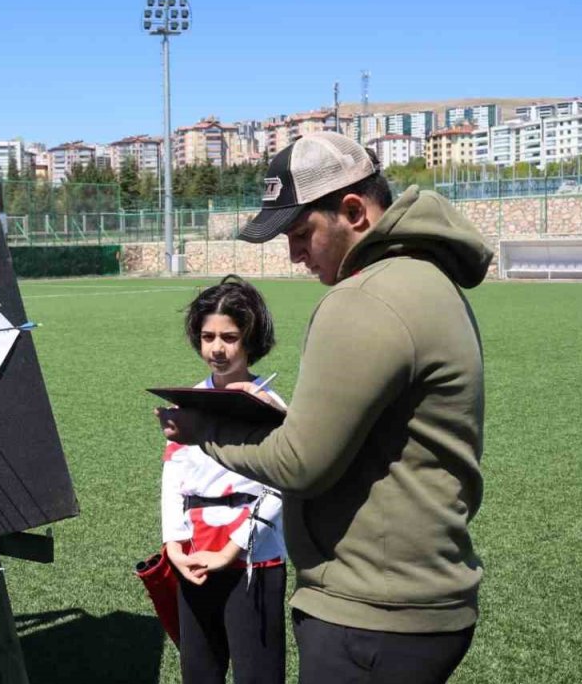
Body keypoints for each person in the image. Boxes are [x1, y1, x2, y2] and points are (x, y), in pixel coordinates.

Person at [157, 132, 492, 684]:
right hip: (418, 599)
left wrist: (203, 428)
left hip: (373, 614)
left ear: (354, 211)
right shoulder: (427, 279)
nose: (293, 254)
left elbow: (301, 462)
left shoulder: (362, 298)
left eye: (299, 233)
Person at [161, 275, 288, 684]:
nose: (216, 348)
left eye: (229, 337)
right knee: (199, 670)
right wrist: (173, 543)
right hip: (196, 558)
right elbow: (173, 474)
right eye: (207, 336)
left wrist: (233, 549)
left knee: (258, 675)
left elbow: (281, 484)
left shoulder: (269, 405)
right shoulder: (189, 400)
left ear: (251, 338)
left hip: (253, 558)